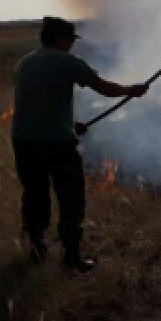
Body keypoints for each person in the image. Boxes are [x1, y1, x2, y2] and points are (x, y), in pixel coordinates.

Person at [10, 16, 149, 270]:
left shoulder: (24, 63)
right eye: (70, 39)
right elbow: (103, 88)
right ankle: (72, 258)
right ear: (60, 38)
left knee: (34, 194)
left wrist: (71, 125)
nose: (72, 44)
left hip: (23, 141)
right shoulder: (67, 62)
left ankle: (36, 247)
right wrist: (131, 90)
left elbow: (39, 103)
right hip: (56, 144)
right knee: (71, 197)